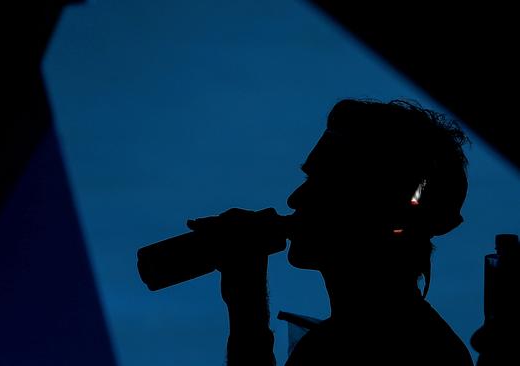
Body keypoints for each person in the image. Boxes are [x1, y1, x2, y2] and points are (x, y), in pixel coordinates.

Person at [187, 99, 474, 365]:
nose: (295, 198)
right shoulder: (401, 338)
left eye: (323, 183)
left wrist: (247, 310)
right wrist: (245, 300)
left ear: (374, 210)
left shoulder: (397, 350)